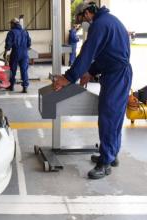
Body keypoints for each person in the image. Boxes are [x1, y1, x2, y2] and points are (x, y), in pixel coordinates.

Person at [53, 2, 132, 179]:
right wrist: (91, 71)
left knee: (109, 117)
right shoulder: (108, 21)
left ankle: (105, 163)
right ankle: (111, 155)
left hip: (117, 76)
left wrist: (68, 77)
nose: (82, 24)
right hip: (116, 73)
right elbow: (106, 54)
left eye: (81, 19)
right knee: (114, 117)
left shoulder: (100, 25)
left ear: (88, 13)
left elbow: (87, 53)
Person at [4, 18, 31, 93]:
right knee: (24, 70)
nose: (10, 25)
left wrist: (5, 52)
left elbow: (8, 44)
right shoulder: (25, 31)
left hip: (15, 53)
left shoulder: (11, 32)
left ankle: (11, 86)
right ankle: (25, 87)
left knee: (12, 70)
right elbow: (29, 43)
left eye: (11, 24)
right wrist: (25, 48)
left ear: (13, 24)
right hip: (25, 53)